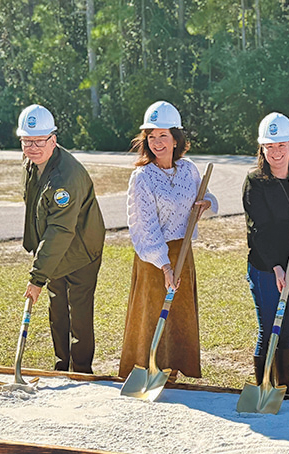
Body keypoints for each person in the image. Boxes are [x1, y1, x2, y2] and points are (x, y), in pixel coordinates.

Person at [118, 101, 218, 380]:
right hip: (153, 259)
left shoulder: (188, 170)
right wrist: (164, 265)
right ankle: (148, 370)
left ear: (176, 138)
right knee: (152, 315)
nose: (157, 142)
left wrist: (205, 204)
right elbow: (145, 226)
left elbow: (209, 198)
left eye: (163, 136)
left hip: (183, 254)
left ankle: (172, 372)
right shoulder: (142, 177)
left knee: (179, 315)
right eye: (151, 136)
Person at [17, 104, 106, 373]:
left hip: (81, 250)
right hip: (55, 250)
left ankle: (80, 372)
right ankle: (61, 367)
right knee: (57, 312)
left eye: (39, 141)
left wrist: (37, 277)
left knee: (78, 314)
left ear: (53, 139)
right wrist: (39, 258)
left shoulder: (66, 177)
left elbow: (60, 229)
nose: (32, 147)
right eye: (26, 141)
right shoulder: (32, 165)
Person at [242, 112, 289, 395]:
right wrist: (276, 267)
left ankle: (286, 389)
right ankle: (264, 389)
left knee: (288, 330)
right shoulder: (255, 182)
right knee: (269, 329)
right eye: (269, 146)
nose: (275, 152)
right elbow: (258, 231)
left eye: (280, 145)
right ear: (262, 148)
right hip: (266, 269)